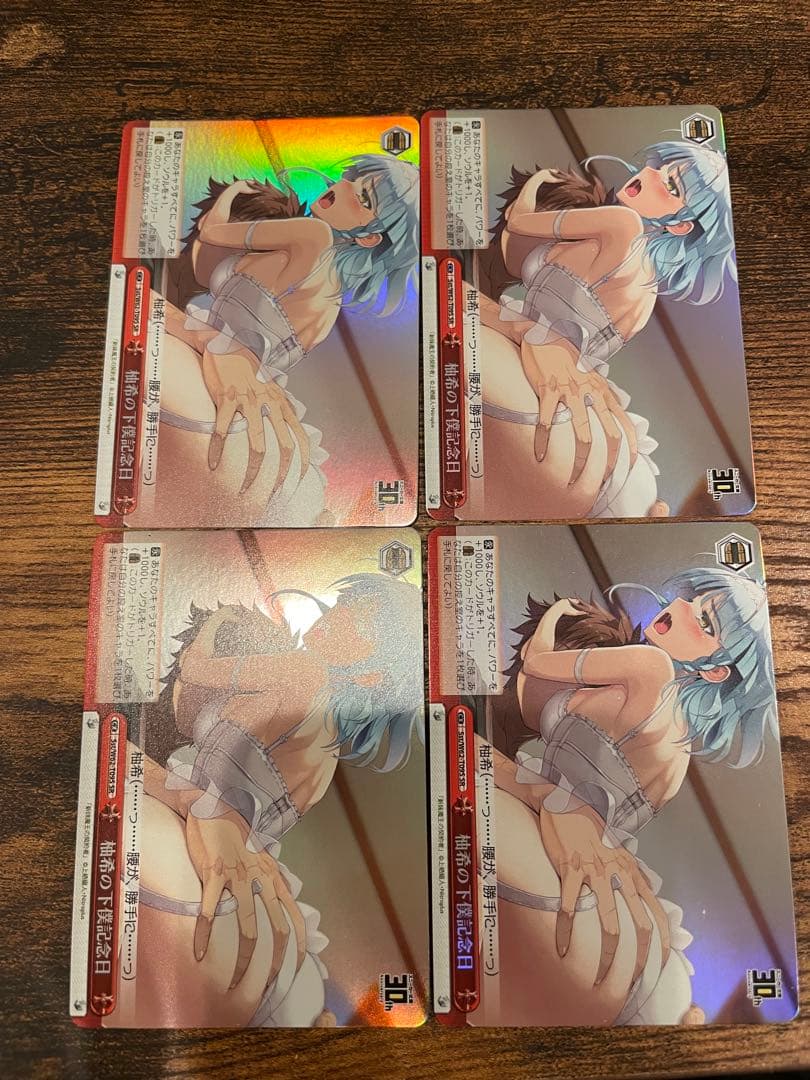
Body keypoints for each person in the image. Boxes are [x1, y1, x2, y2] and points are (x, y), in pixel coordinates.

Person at [472, 566, 774, 1024]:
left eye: (705, 622)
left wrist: (555, 613)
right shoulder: (678, 753)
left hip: (558, 838)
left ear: (716, 670)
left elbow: (536, 664)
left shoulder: (651, 666)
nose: (680, 609)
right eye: (692, 599)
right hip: (608, 875)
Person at [123, 572, 423, 1025]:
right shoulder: (327, 756)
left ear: (374, 673)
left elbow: (197, 669)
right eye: (345, 606)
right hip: (259, 866)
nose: (338, 616)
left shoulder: (304, 670)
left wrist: (217, 619)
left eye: (361, 623)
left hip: (204, 825)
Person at [145, 156, 419, 526]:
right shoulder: (329, 301)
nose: (344, 189)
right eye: (350, 179)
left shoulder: (314, 234)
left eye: (365, 199)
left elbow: (212, 233)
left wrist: (231, 193)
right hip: (260, 392)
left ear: (370, 237)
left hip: (224, 372)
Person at [466, 142, 735, 518]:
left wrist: (535, 183)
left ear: (680, 225)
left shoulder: (623, 223)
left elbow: (520, 223)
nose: (650, 175)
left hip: (547, 369)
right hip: (606, 432)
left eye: (672, 185)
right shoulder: (647, 289)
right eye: (658, 166)